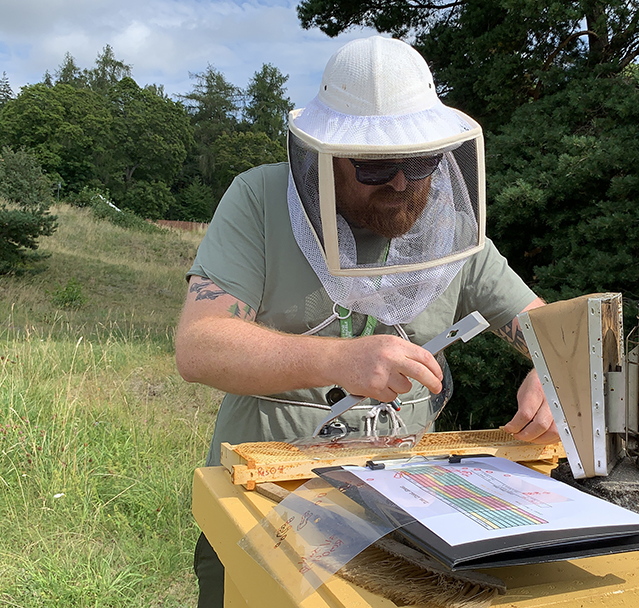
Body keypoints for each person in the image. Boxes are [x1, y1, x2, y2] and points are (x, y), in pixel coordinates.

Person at [174, 35, 557, 607]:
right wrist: (338, 360)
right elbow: (199, 346)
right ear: (325, 157)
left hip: (407, 514)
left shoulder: (451, 229)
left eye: (421, 160)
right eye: (376, 165)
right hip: (267, 502)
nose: (402, 183)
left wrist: (557, 372)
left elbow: (545, 326)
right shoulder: (258, 197)